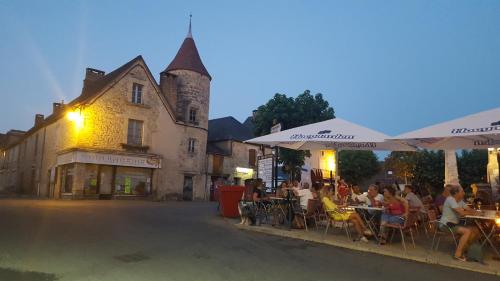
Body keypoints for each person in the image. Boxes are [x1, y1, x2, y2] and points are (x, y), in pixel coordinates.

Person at [440, 185, 480, 261]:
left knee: (476, 230)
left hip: (454, 224)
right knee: (467, 231)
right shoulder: (450, 199)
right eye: (462, 191)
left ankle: (465, 248)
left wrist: (475, 212)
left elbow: (468, 209)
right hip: (446, 224)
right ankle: (457, 254)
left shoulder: (460, 201)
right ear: (456, 193)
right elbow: (462, 213)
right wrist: (473, 213)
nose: (464, 193)